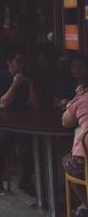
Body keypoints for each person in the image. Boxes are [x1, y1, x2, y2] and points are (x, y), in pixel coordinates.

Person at [0, 45, 38, 194]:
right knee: (3, 136)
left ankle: (26, 180)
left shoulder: (28, 77)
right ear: (9, 62)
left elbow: (35, 105)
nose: (22, 64)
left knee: (30, 139)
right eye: (19, 61)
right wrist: (15, 83)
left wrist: (30, 85)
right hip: (2, 122)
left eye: (24, 61)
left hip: (23, 122)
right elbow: (2, 104)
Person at [62, 54, 88, 217]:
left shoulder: (81, 98)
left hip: (84, 161)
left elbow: (66, 122)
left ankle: (85, 204)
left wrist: (72, 102)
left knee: (67, 161)